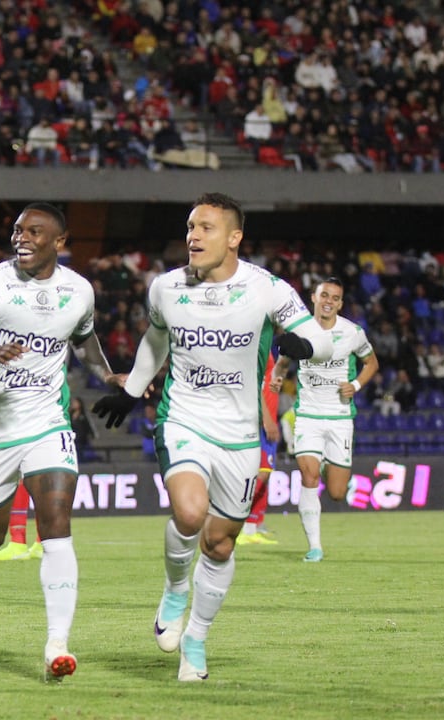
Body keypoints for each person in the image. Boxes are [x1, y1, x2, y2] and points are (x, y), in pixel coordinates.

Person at [91, 193, 333, 682]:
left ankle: (196, 638)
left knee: (220, 544)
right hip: (184, 419)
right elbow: (157, 337)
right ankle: (176, 588)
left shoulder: (266, 288)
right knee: (189, 512)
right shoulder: (165, 287)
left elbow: (322, 339)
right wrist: (134, 388)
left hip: (241, 436)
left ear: (234, 237)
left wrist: (301, 344)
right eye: (190, 227)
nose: (193, 237)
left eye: (205, 228)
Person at [0, 202, 123, 682]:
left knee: (56, 524)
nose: (22, 237)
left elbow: (83, 339)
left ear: (59, 242)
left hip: (48, 422)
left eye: (34, 232)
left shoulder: (78, 290)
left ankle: (57, 644)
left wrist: (105, 373)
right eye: (18, 229)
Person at [272, 278, 378, 563]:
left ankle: (340, 475)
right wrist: (277, 377)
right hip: (306, 415)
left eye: (335, 297)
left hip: (340, 417)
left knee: (336, 492)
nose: (329, 301)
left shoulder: (352, 332)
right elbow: (283, 360)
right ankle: (315, 547)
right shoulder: (299, 330)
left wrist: (355, 386)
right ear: (314, 298)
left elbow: (372, 363)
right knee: (308, 476)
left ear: (340, 303)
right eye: (324, 295)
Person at [237, 351, 281, 546]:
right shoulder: (255, 343)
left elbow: (265, 380)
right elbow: (252, 382)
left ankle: (252, 527)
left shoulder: (267, 345)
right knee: (260, 474)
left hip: (267, 418)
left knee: (266, 474)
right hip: (258, 421)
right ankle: (233, 520)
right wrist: (266, 417)